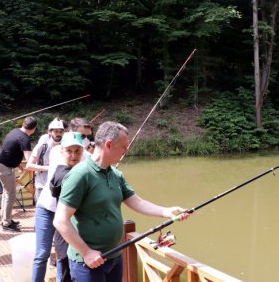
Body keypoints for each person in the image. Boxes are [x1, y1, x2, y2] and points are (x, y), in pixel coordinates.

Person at [53, 121, 191, 281]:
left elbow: (137, 202)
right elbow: (60, 220)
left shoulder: (115, 174)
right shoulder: (80, 175)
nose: (127, 150)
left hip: (115, 257)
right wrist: (86, 252)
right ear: (109, 144)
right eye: (124, 146)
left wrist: (167, 211)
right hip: (88, 263)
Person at [31, 131, 86, 282]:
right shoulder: (57, 155)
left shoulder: (85, 156)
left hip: (66, 214)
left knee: (63, 254)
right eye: (69, 151)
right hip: (47, 209)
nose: (73, 155)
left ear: (83, 150)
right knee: (42, 253)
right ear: (62, 150)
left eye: (77, 151)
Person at [0, 116, 37, 231]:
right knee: (10, 194)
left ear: (23, 124)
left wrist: (17, 163)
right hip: (4, 167)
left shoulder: (15, 131)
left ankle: (6, 220)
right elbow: (30, 159)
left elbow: (9, 149)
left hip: (1, 164)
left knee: (8, 194)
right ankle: (6, 224)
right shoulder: (25, 139)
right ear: (34, 128)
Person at [26, 117, 65, 202]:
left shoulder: (65, 146)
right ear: (50, 132)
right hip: (42, 186)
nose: (59, 134)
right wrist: (49, 168)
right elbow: (29, 165)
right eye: (56, 131)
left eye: (61, 131)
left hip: (59, 186)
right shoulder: (42, 146)